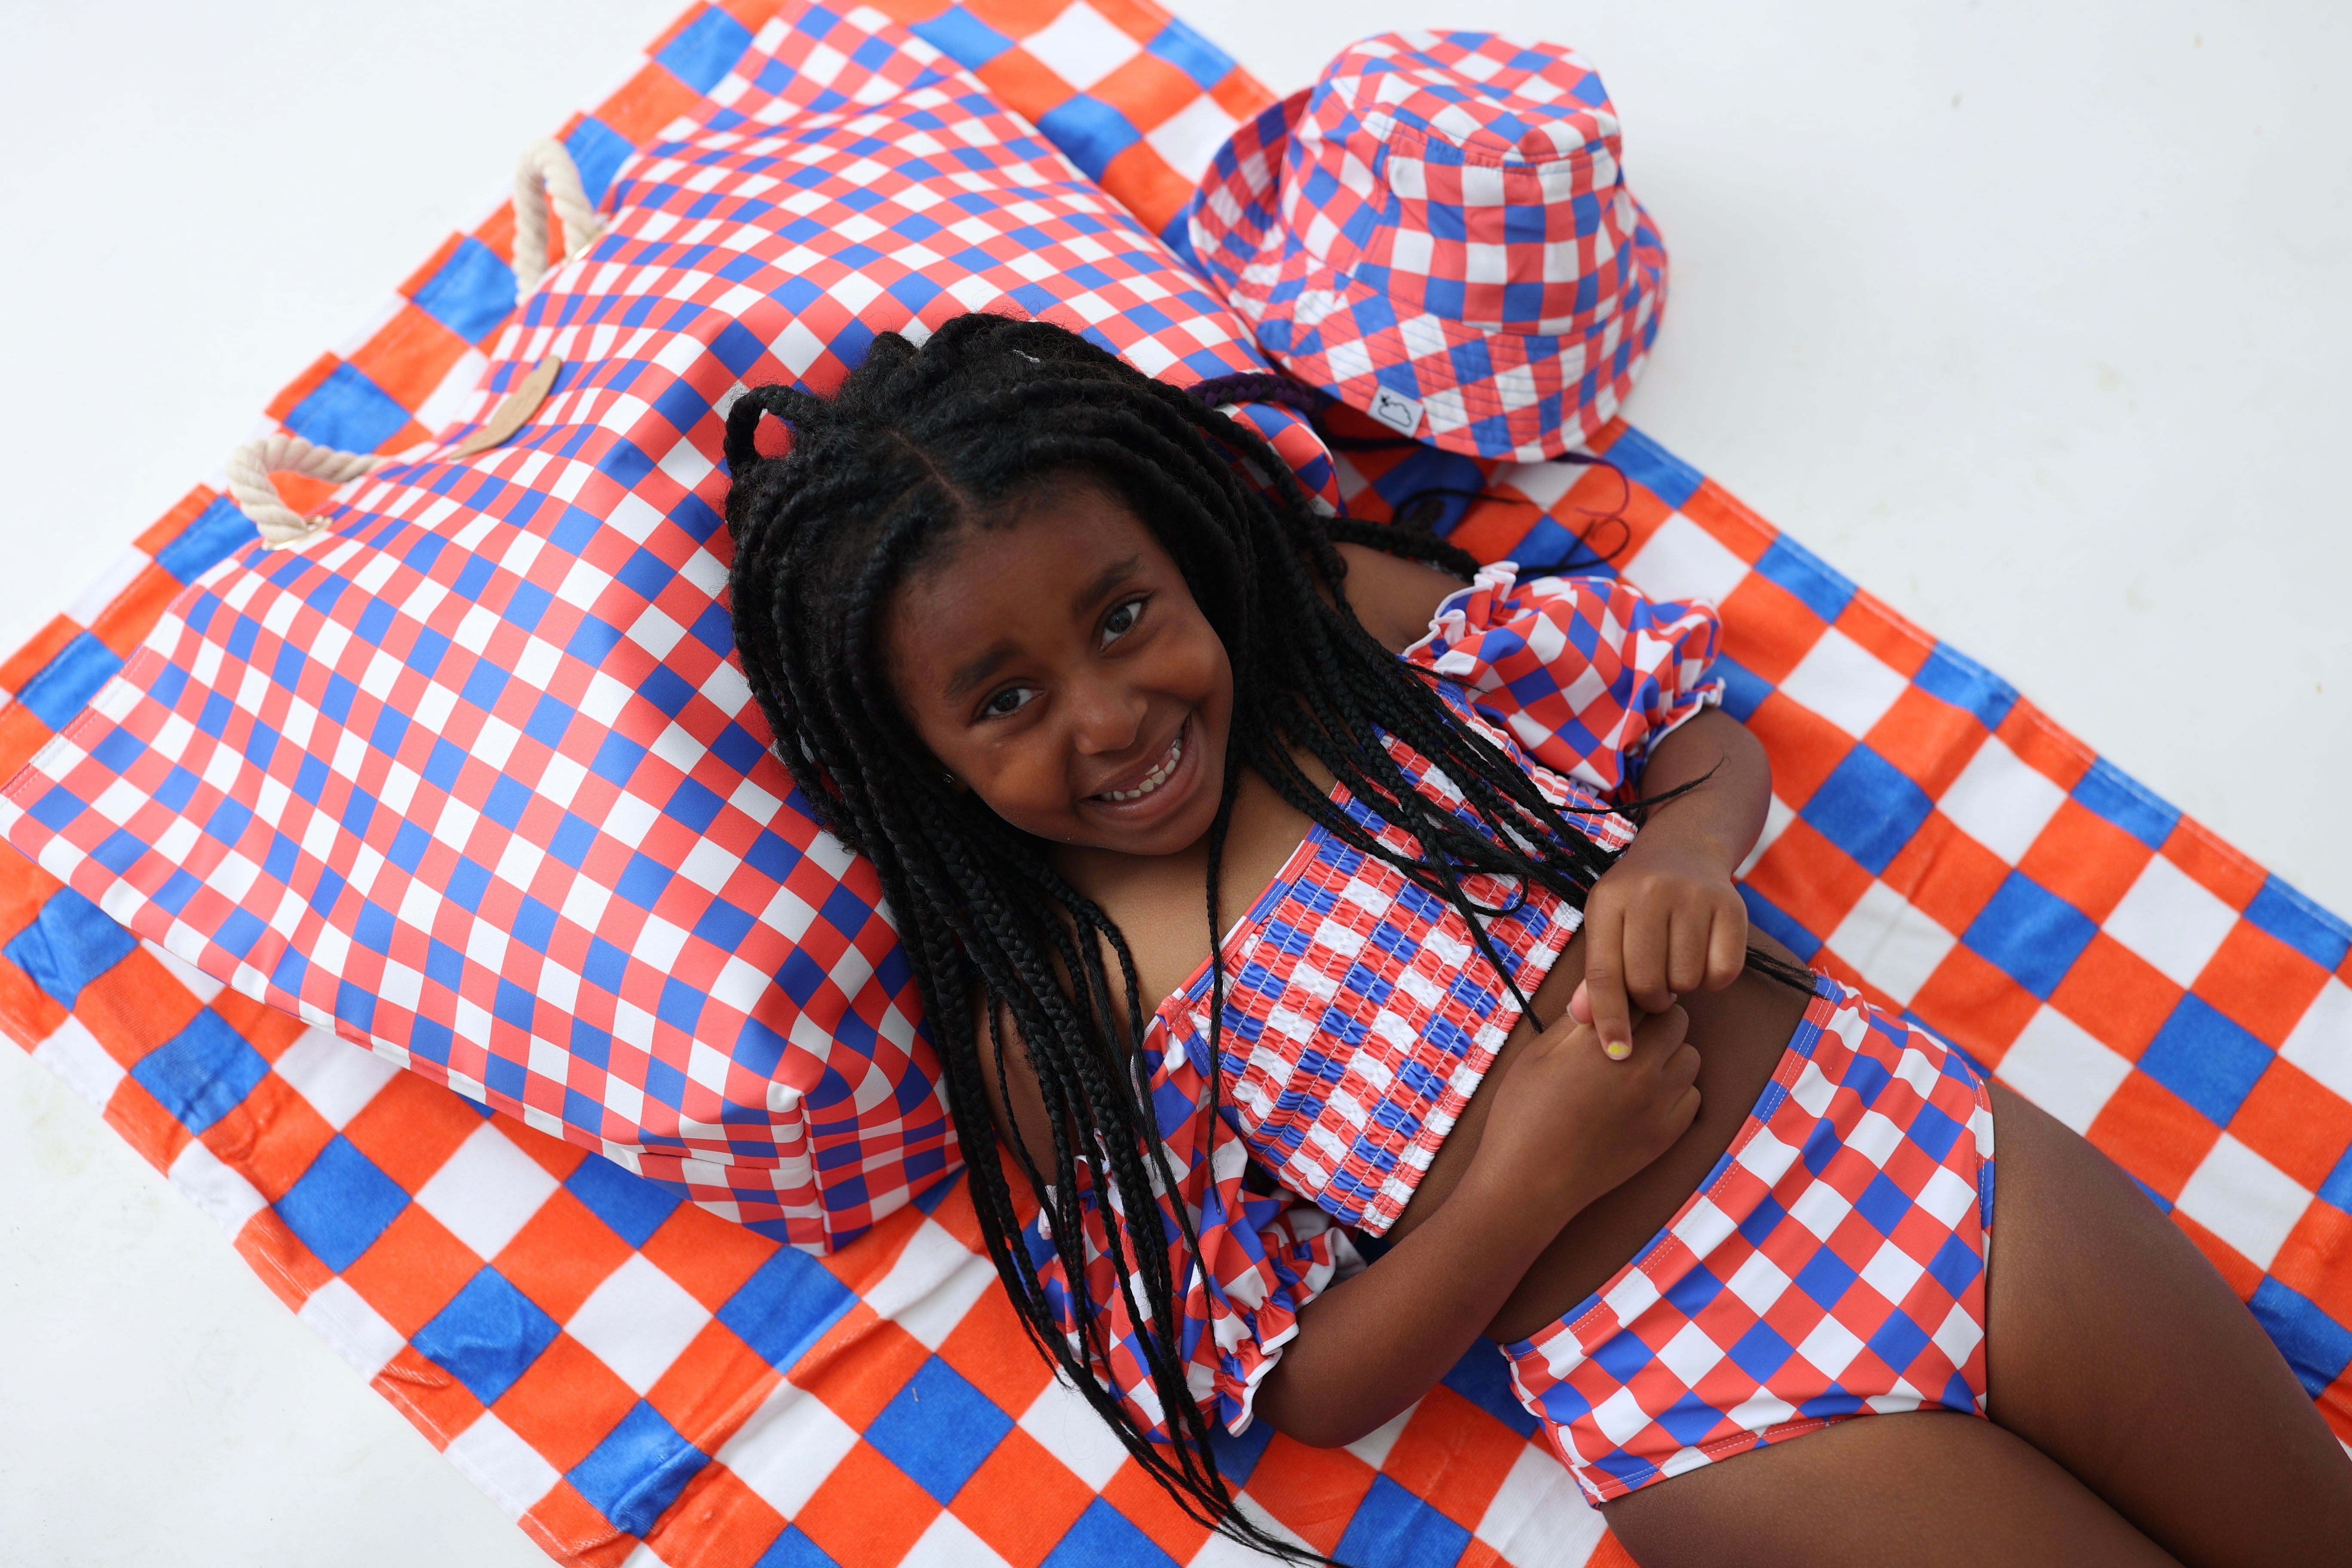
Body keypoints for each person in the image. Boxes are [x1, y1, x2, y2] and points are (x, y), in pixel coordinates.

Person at [720, 311, 2352, 1567]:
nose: (1113, 712)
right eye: (1005, 703)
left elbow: (1691, 730)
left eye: (1127, 613)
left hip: (1901, 1145)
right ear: (912, 764)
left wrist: (1685, 854)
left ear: (1182, 557)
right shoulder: (1061, 1003)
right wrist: (1525, 1180)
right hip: (1707, 1402)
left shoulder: (1337, 640)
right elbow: (1298, 1386)